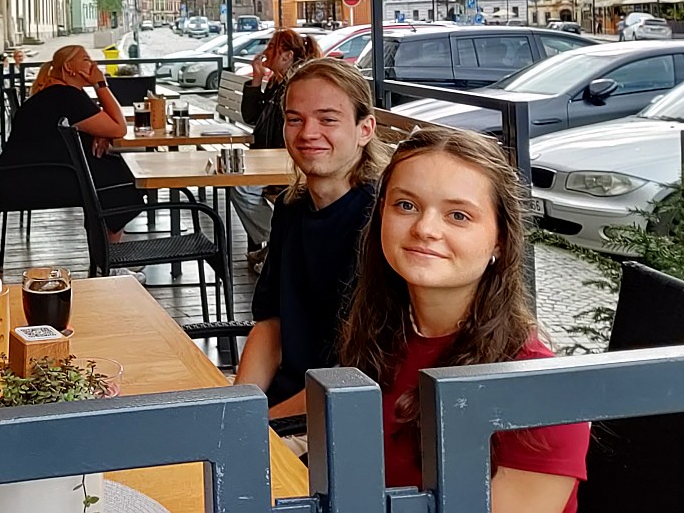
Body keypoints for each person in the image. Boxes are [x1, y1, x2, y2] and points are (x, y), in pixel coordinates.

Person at [339, 128, 589, 512]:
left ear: (500, 240)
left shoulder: (543, 391)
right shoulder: (381, 334)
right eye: (406, 205)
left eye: (458, 215)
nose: (425, 229)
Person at [234, 59, 386, 430]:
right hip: (285, 404)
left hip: (347, 416)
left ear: (365, 129)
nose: (307, 133)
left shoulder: (381, 220)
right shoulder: (291, 207)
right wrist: (237, 407)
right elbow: (272, 324)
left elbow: (362, 370)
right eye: (294, 119)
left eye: (328, 119)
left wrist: (257, 426)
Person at [0, 45, 145, 239]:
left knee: (116, 170)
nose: (93, 64)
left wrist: (100, 133)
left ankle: (105, 248)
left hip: (21, 175)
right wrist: (101, 85)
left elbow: (104, 124)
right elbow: (119, 128)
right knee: (120, 179)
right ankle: (108, 251)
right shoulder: (65, 96)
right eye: (86, 60)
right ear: (69, 67)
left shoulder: (62, 92)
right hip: (31, 180)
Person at [234, 29, 322, 270]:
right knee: (238, 184)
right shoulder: (278, 81)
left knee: (241, 186)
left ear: (287, 55)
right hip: (267, 158)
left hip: (290, 162)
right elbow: (251, 117)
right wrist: (256, 80)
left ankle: (281, 244)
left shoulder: (296, 86)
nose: (265, 52)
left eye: (272, 47)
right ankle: (280, 244)